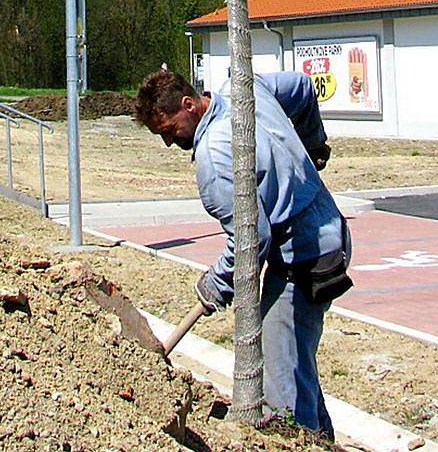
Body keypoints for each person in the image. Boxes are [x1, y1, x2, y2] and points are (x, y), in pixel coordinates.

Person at [134, 69, 352, 438]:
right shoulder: (243, 90)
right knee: (293, 357)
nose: (170, 143)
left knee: (278, 376)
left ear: (188, 105)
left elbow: (253, 239)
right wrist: (313, 145)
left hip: (308, 259)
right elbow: (300, 86)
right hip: (330, 230)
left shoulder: (214, 162)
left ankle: (301, 437)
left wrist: (215, 285)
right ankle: (320, 436)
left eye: (169, 131)